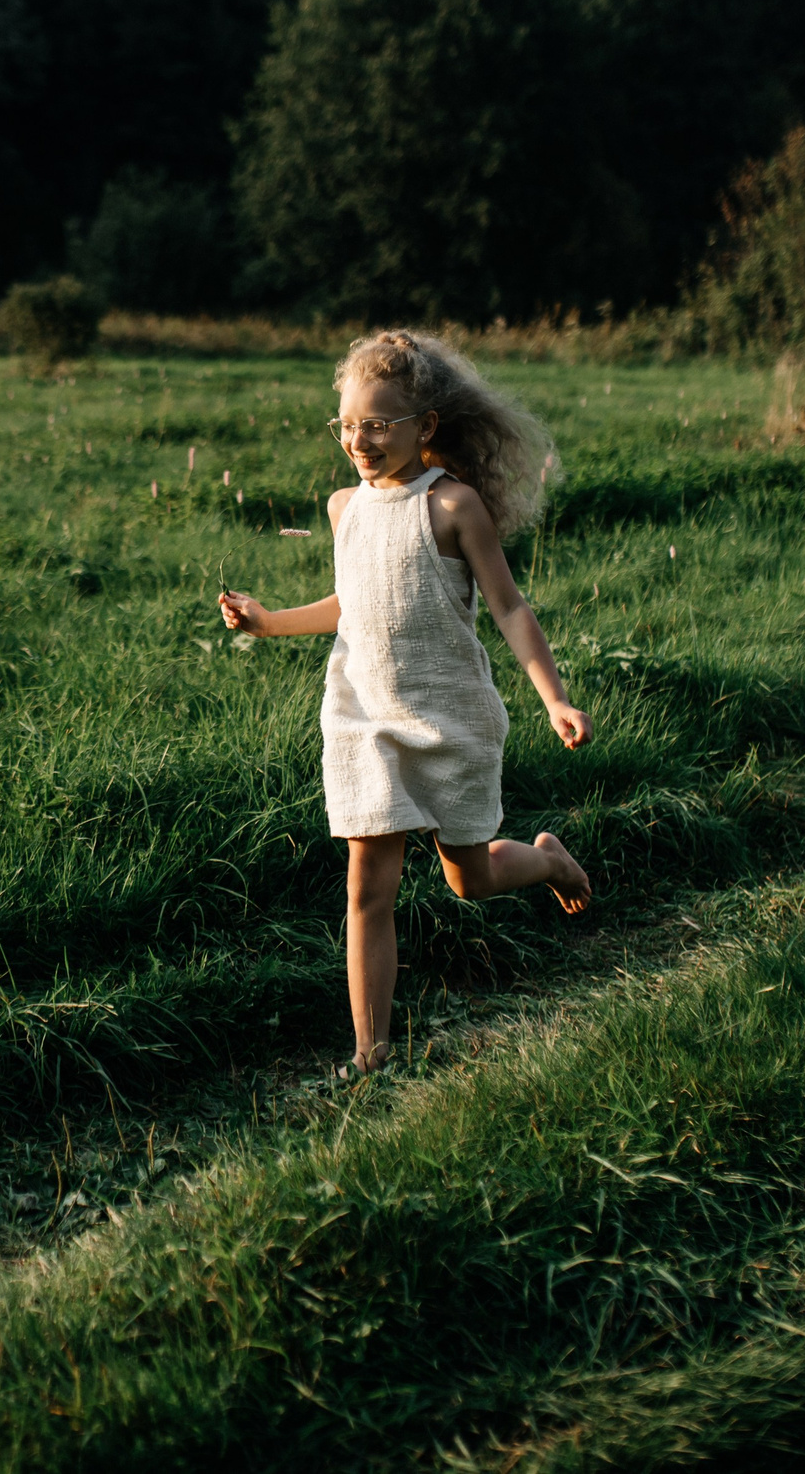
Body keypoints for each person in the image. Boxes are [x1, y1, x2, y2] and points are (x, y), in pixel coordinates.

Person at [219, 331, 593, 1080]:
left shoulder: (453, 505)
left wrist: (554, 697)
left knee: (469, 880)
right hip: (364, 717)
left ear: (424, 425)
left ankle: (548, 860)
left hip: (449, 715)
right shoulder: (343, 508)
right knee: (367, 886)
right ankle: (371, 1052)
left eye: (377, 424)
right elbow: (350, 604)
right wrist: (268, 621)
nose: (359, 440)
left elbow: (510, 607)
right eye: (347, 424)